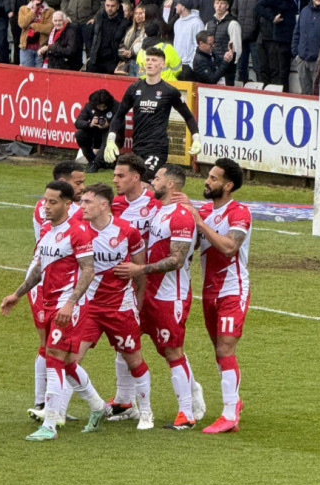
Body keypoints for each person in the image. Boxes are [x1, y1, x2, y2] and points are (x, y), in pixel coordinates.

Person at [0, 180, 95, 441]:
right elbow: (39, 269)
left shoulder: (78, 232)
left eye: (53, 202)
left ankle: (50, 424)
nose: (46, 207)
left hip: (68, 305)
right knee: (60, 360)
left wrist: (71, 302)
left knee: (54, 357)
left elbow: (89, 269)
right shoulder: (47, 232)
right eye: (45, 201)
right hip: (49, 302)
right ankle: (97, 407)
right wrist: (17, 294)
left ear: (67, 204)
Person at [115, 164, 203, 430]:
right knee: (126, 342)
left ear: (172, 184)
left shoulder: (180, 216)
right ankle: (124, 402)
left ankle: (186, 414)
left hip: (170, 295)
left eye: (157, 178)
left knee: (172, 351)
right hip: (147, 291)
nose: (152, 182)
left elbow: (177, 260)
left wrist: (139, 269)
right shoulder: (158, 212)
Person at [72, 183, 154, 431]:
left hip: (120, 306)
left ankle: (146, 412)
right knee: (70, 359)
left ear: (103, 204)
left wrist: (138, 299)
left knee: (134, 360)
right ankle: (93, 405)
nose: (82, 206)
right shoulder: (78, 231)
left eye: (87, 202)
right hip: (89, 307)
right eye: (82, 201)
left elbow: (140, 269)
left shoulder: (127, 231)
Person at [180, 158, 250, 434]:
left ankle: (230, 415)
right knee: (219, 352)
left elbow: (230, 247)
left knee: (225, 349)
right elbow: (195, 244)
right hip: (209, 291)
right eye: (208, 177)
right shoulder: (206, 211)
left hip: (233, 289)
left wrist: (199, 222)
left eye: (214, 178)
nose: (207, 182)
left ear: (228, 185)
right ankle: (234, 402)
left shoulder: (239, 212)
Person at [27, 161, 85, 423]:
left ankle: (48, 404)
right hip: (47, 282)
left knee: (56, 348)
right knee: (52, 347)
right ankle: (47, 405)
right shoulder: (55, 210)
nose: (81, 189)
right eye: (78, 184)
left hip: (54, 279)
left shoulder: (55, 207)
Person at [105, 48, 201, 178]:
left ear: (162, 65)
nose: (149, 63)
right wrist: (110, 140)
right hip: (138, 146)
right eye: (148, 59)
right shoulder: (134, 89)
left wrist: (196, 139)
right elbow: (119, 116)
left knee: (145, 178)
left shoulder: (169, 91)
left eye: (154, 60)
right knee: (133, 183)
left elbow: (188, 117)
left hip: (157, 148)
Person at [74, 89, 119, 172]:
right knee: (79, 134)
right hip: (95, 135)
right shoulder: (89, 106)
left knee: (110, 134)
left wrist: (108, 124)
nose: (102, 109)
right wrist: (90, 124)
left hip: (112, 137)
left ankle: (98, 163)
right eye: (99, 107)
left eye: (104, 107)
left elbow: (121, 124)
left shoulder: (116, 106)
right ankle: (92, 160)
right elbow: (78, 122)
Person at [17, 0, 54, 68]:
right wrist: (33, 11)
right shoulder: (23, 9)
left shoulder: (50, 10)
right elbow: (22, 24)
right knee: (26, 75)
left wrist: (34, 25)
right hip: (26, 47)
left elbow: (49, 29)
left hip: (41, 48)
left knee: (40, 76)